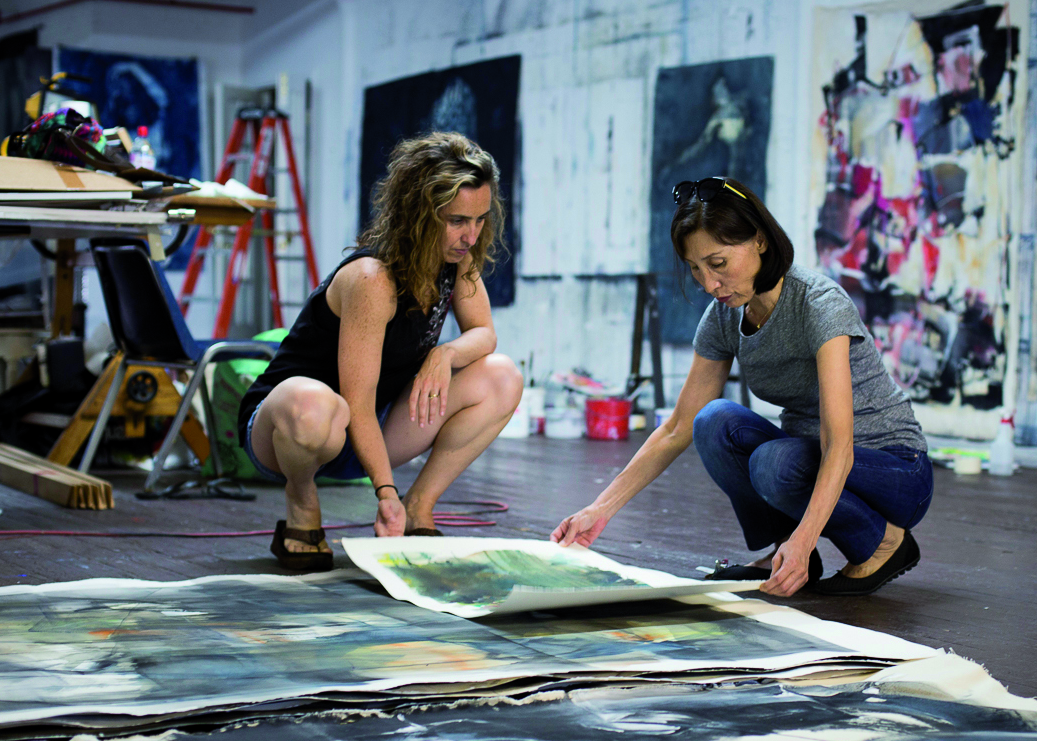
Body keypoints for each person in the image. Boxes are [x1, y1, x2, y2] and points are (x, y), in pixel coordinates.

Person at [551, 177, 932, 597]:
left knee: (775, 463)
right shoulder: (724, 316)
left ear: (760, 241)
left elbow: (837, 444)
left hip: (896, 470)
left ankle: (884, 543)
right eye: (696, 268)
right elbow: (677, 427)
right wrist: (599, 510)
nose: (708, 283)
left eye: (717, 263)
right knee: (712, 421)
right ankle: (781, 550)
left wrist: (805, 541)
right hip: (809, 457)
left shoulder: (819, 304)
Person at [239, 132, 523, 570]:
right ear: (420, 214)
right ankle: (301, 499)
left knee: (502, 377)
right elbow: (356, 401)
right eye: (456, 220)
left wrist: (445, 354)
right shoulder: (373, 278)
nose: (470, 236)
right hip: (292, 433)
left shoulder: (456, 259)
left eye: (480, 220)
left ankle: (419, 504)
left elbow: (484, 333)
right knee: (315, 404)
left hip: (370, 428)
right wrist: (384, 492)